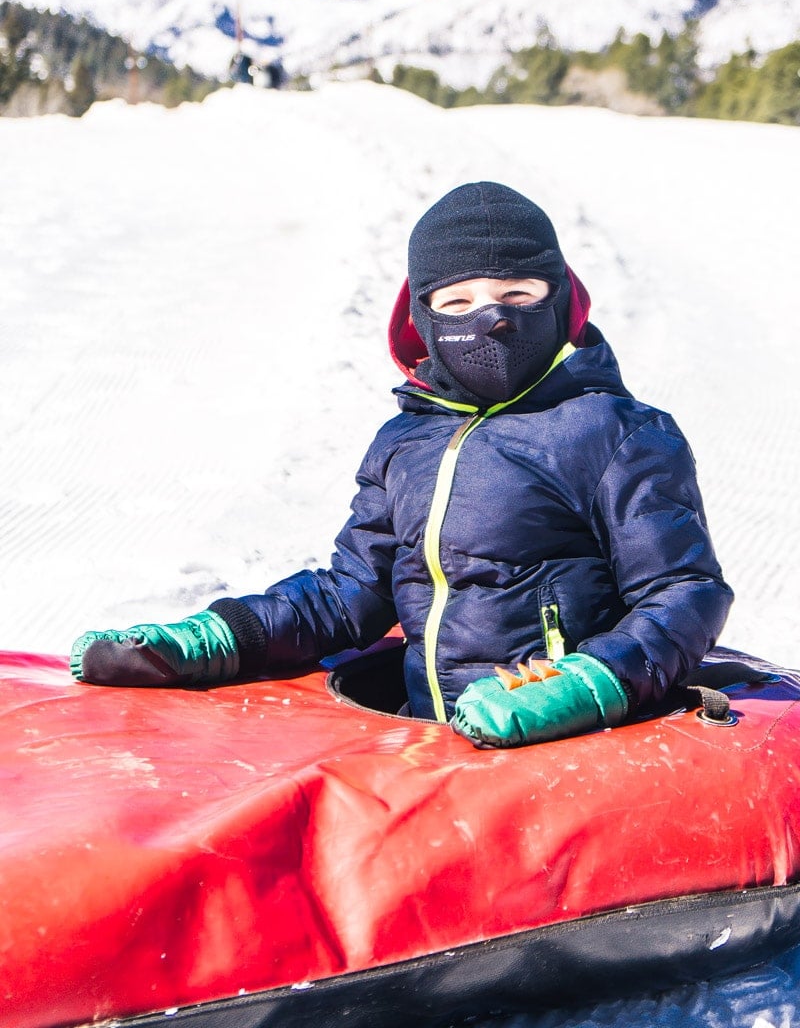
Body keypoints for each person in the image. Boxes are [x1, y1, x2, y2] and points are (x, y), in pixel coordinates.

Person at [70, 182, 733, 748]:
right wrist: (219, 635)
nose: (493, 318)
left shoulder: (617, 432)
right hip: (435, 758)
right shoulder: (405, 442)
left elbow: (683, 591)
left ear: (562, 301)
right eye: (458, 303)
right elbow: (350, 594)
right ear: (423, 316)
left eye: (519, 292)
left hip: (568, 756)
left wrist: (585, 687)